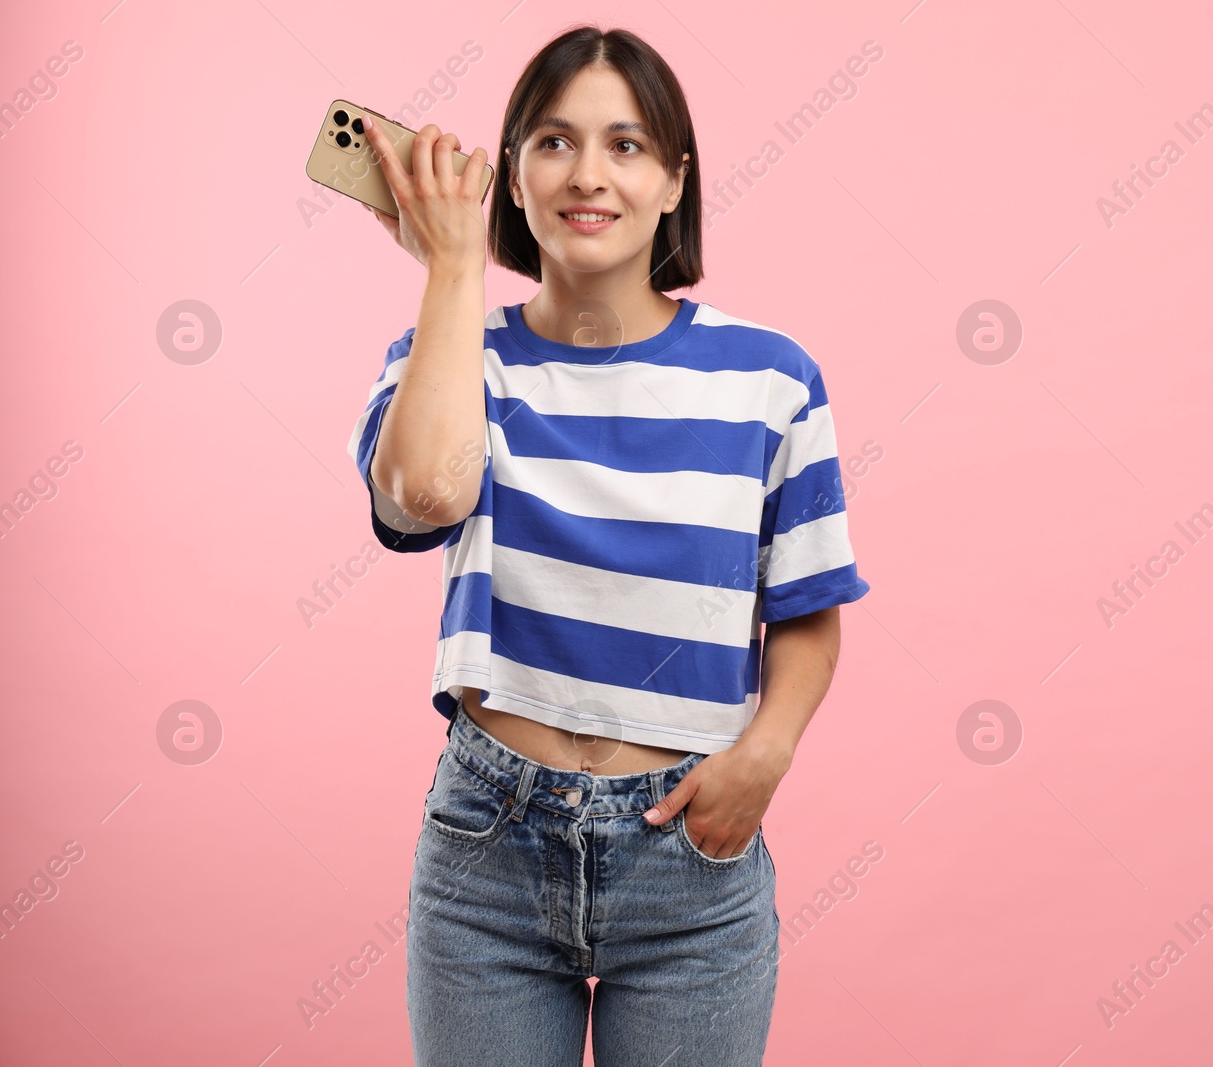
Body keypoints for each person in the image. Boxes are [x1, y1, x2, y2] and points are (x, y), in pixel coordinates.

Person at [345, 24, 872, 1067]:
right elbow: (422, 498)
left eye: (626, 145)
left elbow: (808, 608)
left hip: (690, 857)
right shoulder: (446, 358)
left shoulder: (770, 379)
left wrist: (762, 757)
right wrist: (452, 269)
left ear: (675, 180)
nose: (588, 174)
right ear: (510, 177)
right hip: (487, 850)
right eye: (552, 142)